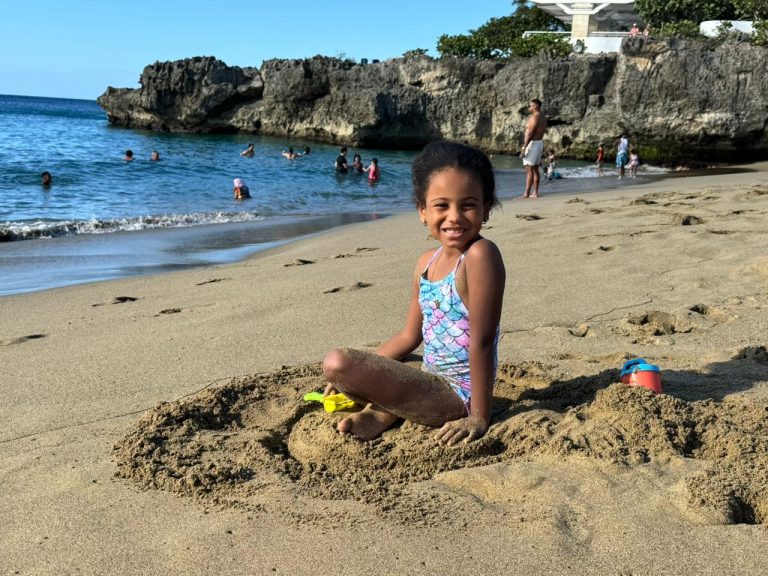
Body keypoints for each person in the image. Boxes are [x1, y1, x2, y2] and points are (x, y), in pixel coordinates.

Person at [321, 141, 505, 444]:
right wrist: (351, 379)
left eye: (468, 205)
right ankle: (386, 411)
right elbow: (409, 336)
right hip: (428, 380)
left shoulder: (480, 255)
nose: (455, 216)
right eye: (442, 206)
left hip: (458, 395)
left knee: (337, 361)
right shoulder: (425, 263)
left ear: (486, 208)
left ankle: (383, 413)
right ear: (422, 211)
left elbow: (483, 341)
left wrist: (479, 416)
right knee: (360, 366)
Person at [520, 98, 547, 198]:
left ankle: (526, 193)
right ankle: (535, 192)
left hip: (532, 144)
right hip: (539, 143)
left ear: (536, 106)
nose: (529, 107)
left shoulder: (534, 117)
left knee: (529, 169)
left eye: (530, 106)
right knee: (535, 168)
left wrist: (524, 148)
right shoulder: (543, 117)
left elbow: (530, 133)